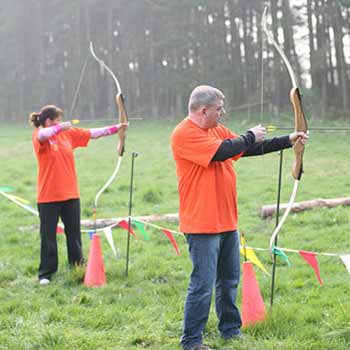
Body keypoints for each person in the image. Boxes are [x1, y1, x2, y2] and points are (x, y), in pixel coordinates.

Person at [171, 85, 308, 350]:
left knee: (229, 280)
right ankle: (191, 341)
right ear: (203, 110)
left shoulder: (216, 130)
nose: (223, 113)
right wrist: (249, 135)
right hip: (201, 225)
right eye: (219, 109)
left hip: (226, 221)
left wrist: (288, 140)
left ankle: (230, 331)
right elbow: (223, 151)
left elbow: (245, 149)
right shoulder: (184, 134)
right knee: (202, 284)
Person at [29, 105, 128, 285]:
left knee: (73, 234)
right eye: (57, 120)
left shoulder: (67, 134)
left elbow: (93, 133)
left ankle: (77, 266)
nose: (60, 122)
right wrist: (60, 127)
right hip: (48, 196)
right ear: (48, 121)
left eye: (60, 120)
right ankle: (46, 273)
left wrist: (116, 128)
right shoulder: (39, 135)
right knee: (48, 235)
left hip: (70, 194)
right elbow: (44, 135)